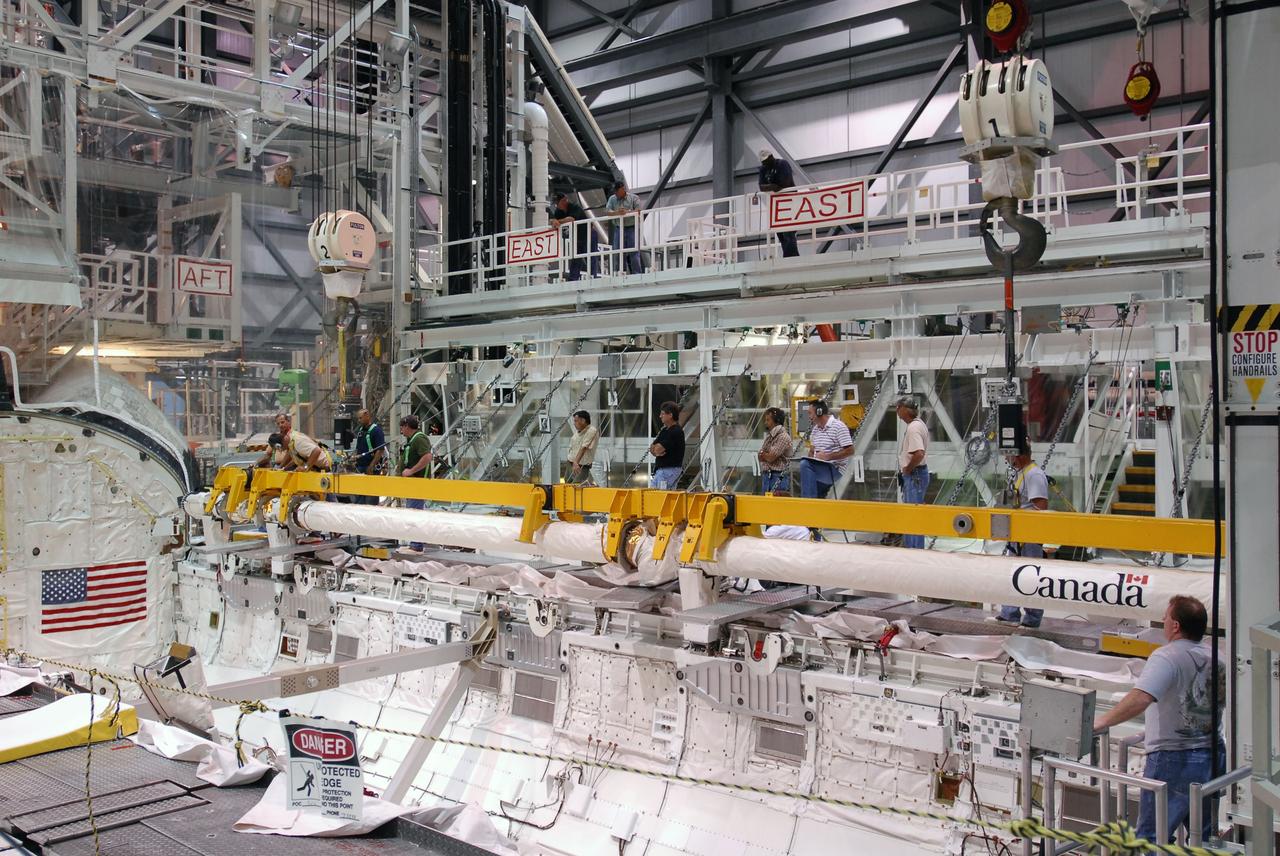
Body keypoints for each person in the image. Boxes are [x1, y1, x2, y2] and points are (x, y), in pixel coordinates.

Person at [1093, 595, 1225, 845]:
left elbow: (1141, 698)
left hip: (1173, 759)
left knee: (1151, 839)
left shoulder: (1166, 656)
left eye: (1165, 617)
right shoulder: (1218, 657)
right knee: (1205, 838)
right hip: (1212, 756)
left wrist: (1101, 721)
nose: (1163, 621)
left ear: (1175, 625)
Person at [991, 438, 1049, 628]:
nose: (1006, 459)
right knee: (1012, 575)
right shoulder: (1022, 473)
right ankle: (1010, 614)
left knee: (1030, 576)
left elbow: (1040, 507)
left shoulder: (1034, 475)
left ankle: (1032, 618)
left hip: (1029, 537)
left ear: (1020, 455)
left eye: (1009, 455)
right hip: (1017, 534)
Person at [799, 399, 852, 499]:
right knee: (806, 464)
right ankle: (817, 500)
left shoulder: (839, 426)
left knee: (805, 464)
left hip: (834, 468)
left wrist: (828, 456)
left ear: (819, 412)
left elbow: (850, 451)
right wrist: (811, 458)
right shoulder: (815, 430)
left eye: (810, 413)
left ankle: (807, 502)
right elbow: (811, 451)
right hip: (820, 467)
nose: (809, 417)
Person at [896, 398, 929, 548]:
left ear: (905, 409)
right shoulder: (918, 424)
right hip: (917, 475)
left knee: (913, 516)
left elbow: (919, 454)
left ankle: (914, 550)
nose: (897, 410)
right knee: (913, 514)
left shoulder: (913, 428)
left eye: (898, 407)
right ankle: (913, 548)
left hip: (914, 476)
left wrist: (908, 469)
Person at [398, 415, 432, 552]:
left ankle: (416, 546)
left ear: (407, 426)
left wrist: (411, 471)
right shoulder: (412, 440)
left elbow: (427, 457)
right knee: (412, 512)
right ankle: (414, 543)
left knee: (415, 513)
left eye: (402, 427)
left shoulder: (419, 439)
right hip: (412, 483)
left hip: (417, 483)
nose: (401, 431)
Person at [257, 411, 332, 471]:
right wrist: (283, 468)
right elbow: (295, 458)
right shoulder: (286, 441)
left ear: (288, 422)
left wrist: (306, 467)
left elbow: (316, 450)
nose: (280, 425)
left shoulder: (296, 439)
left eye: (282, 422)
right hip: (311, 468)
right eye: (278, 424)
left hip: (321, 468)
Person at [758, 148, 799, 258]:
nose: (765, 164)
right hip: (776, 206)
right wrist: (774, 186)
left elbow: (785, 183)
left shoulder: (782, 164)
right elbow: (761, 187)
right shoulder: (763, 169)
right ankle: (792, 257)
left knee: (788, 232)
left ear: (771, 157)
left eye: (766, 161)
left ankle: (790, 258)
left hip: (789, 202)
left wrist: (771, 186)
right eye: (763, 162)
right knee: (780, 233)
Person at [551, 193, 598, 281]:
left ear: (564, 200)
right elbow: (554, 221)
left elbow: (571, 219)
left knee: (591, 256)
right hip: (577, 237)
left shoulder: (575, 207)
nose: (557, 205)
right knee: (576, 258)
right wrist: (554, 221)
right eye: (556, 203)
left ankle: (593, 277)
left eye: (558, 202)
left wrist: (557, 221)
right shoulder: (558, 212)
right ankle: (573, 278)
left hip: (589, 233)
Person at [605, 181, 644, 274]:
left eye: (617, 191)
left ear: (623, 189)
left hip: (632, 228)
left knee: (634, 252)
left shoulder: (634, 198)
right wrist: (617, 212)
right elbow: (607, 211)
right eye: (615, 191)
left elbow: (638, 211)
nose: (615, 193)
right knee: (618, 252)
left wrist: (627, 212)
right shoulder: (612, 199)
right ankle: (620, 273)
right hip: (619, 228)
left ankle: (637, 274)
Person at [350, 408, 386, 505]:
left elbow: (380, 450)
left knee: (371, 497)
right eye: (358, 418)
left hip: (371, 468)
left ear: (367, 416)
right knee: (359, 497)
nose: (359, 420)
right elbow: (358, 448)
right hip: (360, 467)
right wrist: (354, 458)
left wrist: (371, 466)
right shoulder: (361, 431)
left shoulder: (376, 431)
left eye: (360, 418)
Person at [649, 401, 685, 490]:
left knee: (660, 495)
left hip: (668, 470)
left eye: (663, 414)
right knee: (652, 494)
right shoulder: (664, 431)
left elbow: (657, 449)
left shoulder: (676, 431)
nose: (660, 416)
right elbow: (652, 448)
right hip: (662, 471)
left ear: (670, 415)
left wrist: (656, 450)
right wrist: (656, 450)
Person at [757, 406, 792, 494]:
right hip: (767, 477)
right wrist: (764, 454)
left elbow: (770, 457)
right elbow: (760, 456)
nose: (765, 423)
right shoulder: (769, 436)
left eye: (768, 420)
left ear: (776, 421)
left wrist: (764, 454)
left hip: (778, 477)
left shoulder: (783, 437)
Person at [566, 410, 599, 485]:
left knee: (577, 485)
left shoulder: (591, 431)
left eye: (576, 421)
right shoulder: (577, 432)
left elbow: (584, 448)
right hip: (571, 462)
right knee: (567, 485)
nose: (574, 423)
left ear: (583, 421)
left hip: (581, 465)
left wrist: (576, 462)